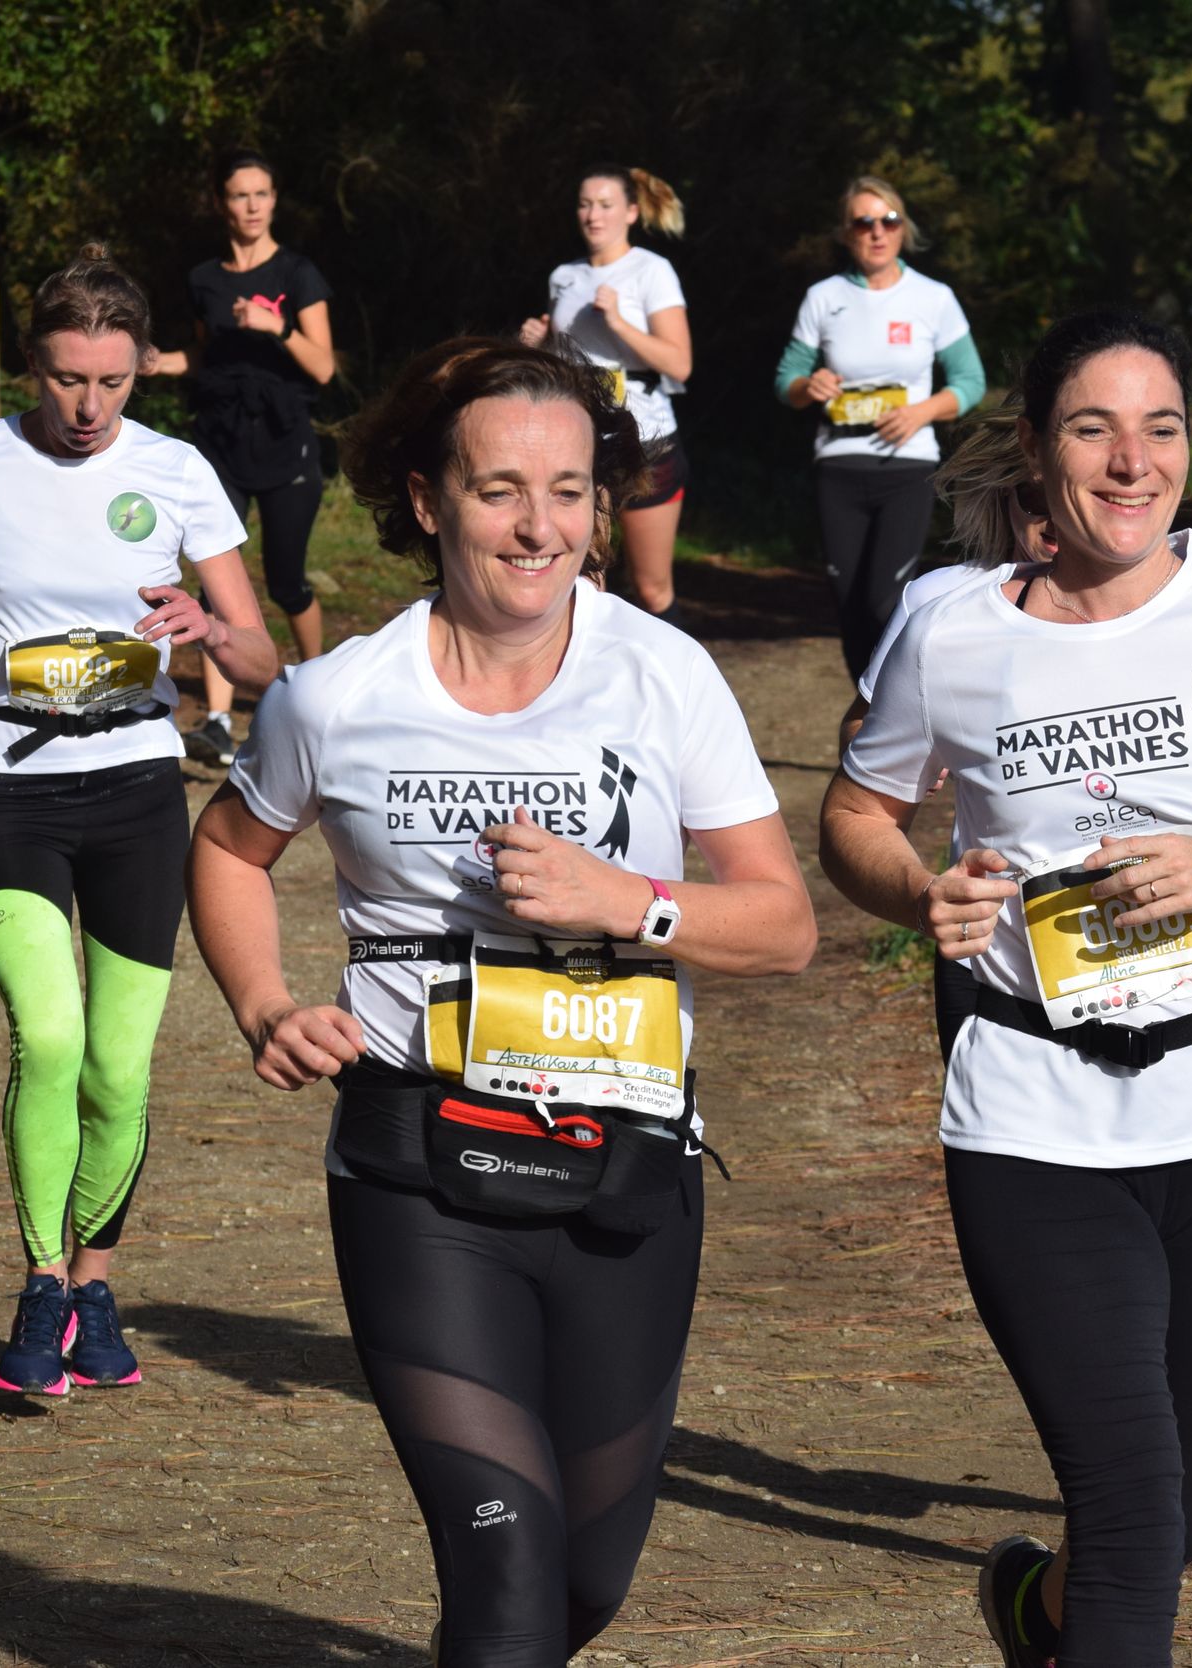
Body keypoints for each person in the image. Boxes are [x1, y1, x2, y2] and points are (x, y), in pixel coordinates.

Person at [188, 339, 815, 1666]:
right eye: (501, 491)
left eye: (570, 492)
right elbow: (231, 851)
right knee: (509, 1577)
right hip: (420, 1171)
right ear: (428, 501)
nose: (541, 528)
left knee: (585, 1579)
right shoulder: (335, 697)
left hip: (624, 1168)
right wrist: (265, 1004)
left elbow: (783, 926)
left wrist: (627, 901)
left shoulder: (663, 675)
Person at [819, 308, 1192, 1668]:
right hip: (1033, 1114)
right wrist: (917, 891)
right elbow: (854, 816)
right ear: (1036, 448)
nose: (1133, 462)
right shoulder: (949, 631)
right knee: (1134, 1517)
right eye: (1094, 429)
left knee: (1170, 1524)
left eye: (1161, 428)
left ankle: (1038, 1616)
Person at [0, 245, 279, 1396]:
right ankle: (42, 1284)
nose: (89, 406)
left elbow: (262, 655)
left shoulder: (176, 471)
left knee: (117, 1063)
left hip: (136, 788)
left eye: (112, 382)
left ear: (139, 370)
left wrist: (211, 628)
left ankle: (97, 1288)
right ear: (33, 366)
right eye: (67, 380)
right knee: (49, 1035)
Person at [836, 396, 1052, 1063]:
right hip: (992, 932)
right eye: (1034, 496)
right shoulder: (942, 599)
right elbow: (860, 729)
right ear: (1000, 496)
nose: (1055, 516)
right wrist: (918, 752)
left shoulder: (1171, 608)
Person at [148, 147, 336, 766]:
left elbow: (324, 367)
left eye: (261, 194)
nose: (251, 206)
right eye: (239, 195)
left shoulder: (298, 274)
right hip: (221, 444)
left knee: (286, 580)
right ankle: (218, 720)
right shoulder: (205, 278)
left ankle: (319, 698)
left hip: (285, 443)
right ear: (221, 203)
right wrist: (153, 361)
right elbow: (205, 358)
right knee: (213, 583)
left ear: (274, 200)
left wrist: (273, 325)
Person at [776, 175, 986, 682]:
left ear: (903, 228)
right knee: (848, 603)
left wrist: (921, 411)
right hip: (838, 466)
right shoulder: (823, 297)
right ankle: (869, 712)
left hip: (907, 467)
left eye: (889, 220)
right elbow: (787, 380)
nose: (877, 231)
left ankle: (899, 701)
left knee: (885, 601)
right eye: (863, 222)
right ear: (846, 232)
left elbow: (970, 381)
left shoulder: (932, 297)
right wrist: (809, 385)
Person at [518, 166, 692, 624]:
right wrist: (538, 345)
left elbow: (679, 363)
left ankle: (673, 668)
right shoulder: (564, 276)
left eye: (605, 205)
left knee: (652, 588)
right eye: (585, 204)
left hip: (647, 441)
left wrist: (618, 322)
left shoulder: (651, 270)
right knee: (585, 581)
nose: (593, 215)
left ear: (631, 212)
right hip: (581, 442)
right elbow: (566, 363)